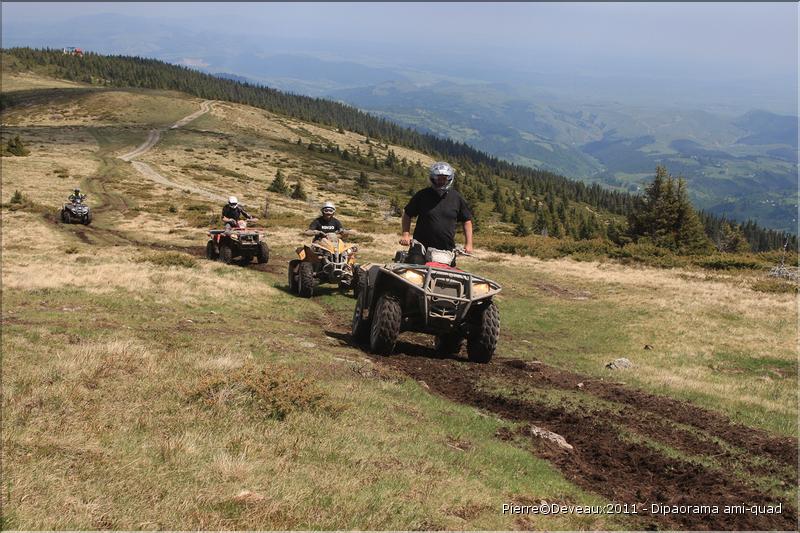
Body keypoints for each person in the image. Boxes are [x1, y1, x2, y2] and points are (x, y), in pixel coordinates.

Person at [400, 162, 473, 263]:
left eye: (444, 178)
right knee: (413, 271)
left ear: (449, 179)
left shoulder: (456, 197)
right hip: (420, 246)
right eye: (438, 178)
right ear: (433, 178)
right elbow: (407, 213)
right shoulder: (422, 195)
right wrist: (405, 234)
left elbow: (467, 220)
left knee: (447, 277)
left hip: (446, 249)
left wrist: (469, 244)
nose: (441, 181)